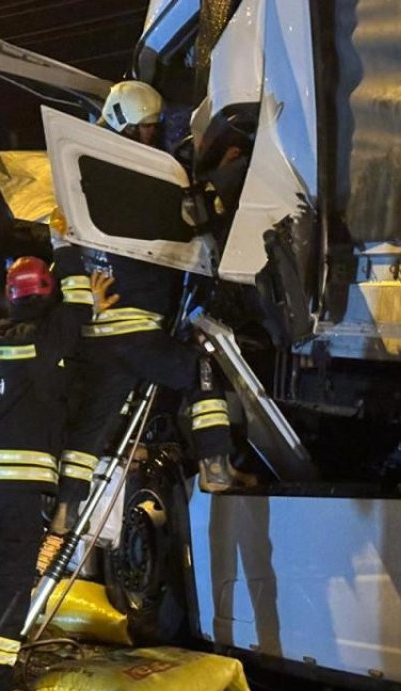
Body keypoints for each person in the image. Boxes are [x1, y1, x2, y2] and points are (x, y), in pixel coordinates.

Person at [52, 80, 252, 540]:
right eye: (145, 127)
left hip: (98, 337)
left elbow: (65, 250)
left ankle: (65, 510)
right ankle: (215, 466)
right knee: (202, 370)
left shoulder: (85, 185)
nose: (152, 134)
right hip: (139, 334)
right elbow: (191, 214)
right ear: (123, 124)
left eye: (154, 127)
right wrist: (226, 176)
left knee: (90, 428)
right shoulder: (140, 185)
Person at [0, 224, 116, 691]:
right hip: (18, 491)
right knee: (8, 582)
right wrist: (66, 245)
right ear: (47, 295)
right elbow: (75, 306)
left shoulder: (0, 336)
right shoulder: (44, 341)